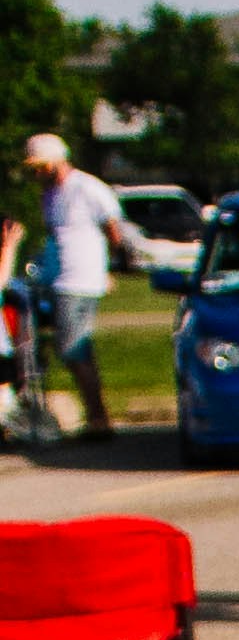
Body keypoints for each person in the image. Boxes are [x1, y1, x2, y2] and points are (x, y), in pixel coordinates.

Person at [4, 131, 143, 441]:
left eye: (40, 166)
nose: (36, 173)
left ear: (57, 161)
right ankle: (95, 418)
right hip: (58, 280)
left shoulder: (87, 187)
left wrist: (112, 262)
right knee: (67, 349)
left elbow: (112, 226)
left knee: (73, 349)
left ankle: (99, 419)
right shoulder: (49, 195)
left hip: (79, 280)